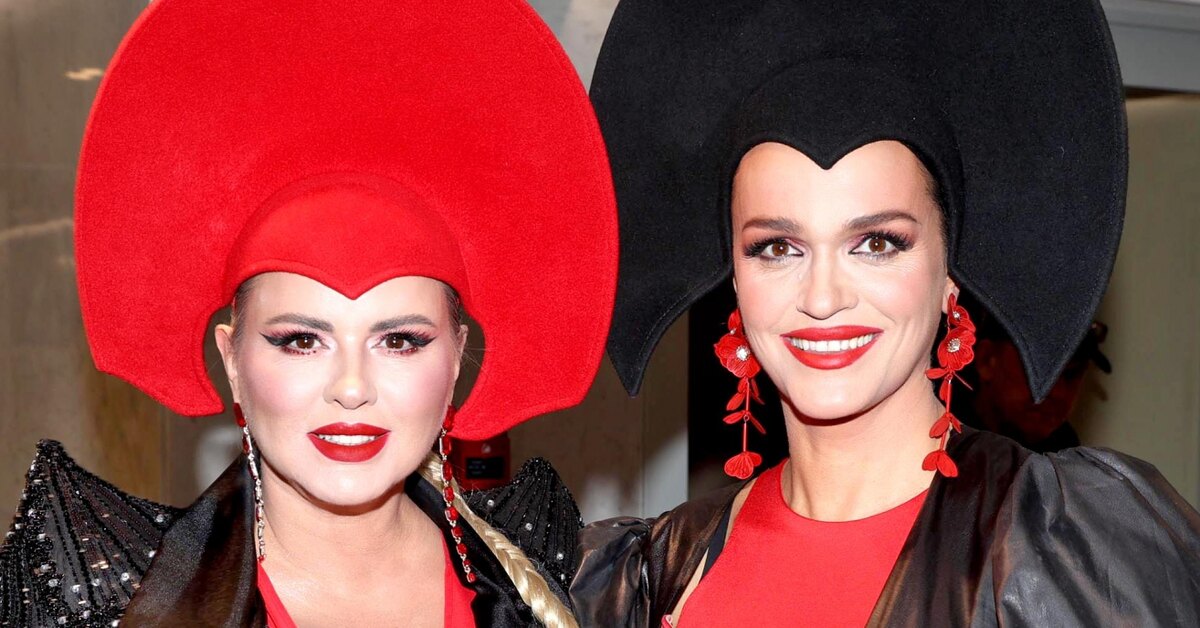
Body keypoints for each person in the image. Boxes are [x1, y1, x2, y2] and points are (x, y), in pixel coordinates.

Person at [573, 0, 1200, 625]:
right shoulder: (651, 577)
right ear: (735, 277)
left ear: (950, 271)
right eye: (777, 248)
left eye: (877, 243)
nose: (823, 298)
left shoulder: (1062, 549)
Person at [0, 0, 617, 626]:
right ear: (231, 360)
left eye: (400, 341)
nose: (351, 388)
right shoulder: (108, 599)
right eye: (300, 340)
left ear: (457, 357)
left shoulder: (565, 579)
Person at [966, 316, 1112, 453]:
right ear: (986, 360)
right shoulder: (954, 444)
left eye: (1071, 375)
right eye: (1041, 370)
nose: (1058, 392)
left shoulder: (1066, 453)